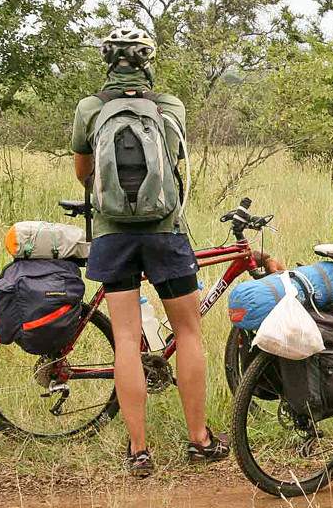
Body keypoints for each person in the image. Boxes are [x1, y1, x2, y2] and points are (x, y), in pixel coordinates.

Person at [71, 26, 229, 477]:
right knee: (190, 333)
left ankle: (138, 449)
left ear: (107, 61)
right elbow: (176, 166)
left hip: (111, 234)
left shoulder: (90, 108)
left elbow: (83, 172)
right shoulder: (169, 106)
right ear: (148, 60)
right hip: (165, 230)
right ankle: (199, 439)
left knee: (124, 338)